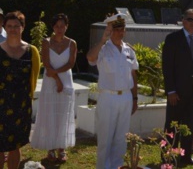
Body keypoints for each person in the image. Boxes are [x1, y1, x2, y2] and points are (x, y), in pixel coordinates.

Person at [87, 14, 138, 169]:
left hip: (126, 97)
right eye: (116, 29)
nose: (120, 33)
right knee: (105, 138)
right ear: (110, 30)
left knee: (121, 138)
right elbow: (90, 57)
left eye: (122, 29)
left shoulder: (129, 50)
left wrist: (135, 98)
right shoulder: (103, 49)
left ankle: (117, 166)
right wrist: (103, 39)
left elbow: (133, 74)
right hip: (108, 97)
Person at [162, 9, 193, 166]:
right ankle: (169, 157)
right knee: (172, 126)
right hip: (177, 93)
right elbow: (167, 67)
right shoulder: (173, 39)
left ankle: (186, 156)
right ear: (183, 20)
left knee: (189, 125)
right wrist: (171, 90)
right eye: (190, 19)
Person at [31, 14, 77, 163]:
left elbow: (70, 63)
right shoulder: (46, 42)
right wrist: (57, 80)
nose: (59, 29)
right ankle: (50, 148)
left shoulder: (72, 43)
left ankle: (61, 148)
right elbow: (47, 63)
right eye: (57, 26)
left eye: (62, 26)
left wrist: (58, 75)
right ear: (53, 27)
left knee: (63, 113)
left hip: (66, 80)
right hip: (50, 81)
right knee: (50, 112)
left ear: (67, 26)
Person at [0, 11, 40, 169]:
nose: (12, 29)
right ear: (4, 27)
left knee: (15, 146)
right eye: (9, 26)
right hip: (0, 105)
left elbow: (34, 78)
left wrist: (28, 99)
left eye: (16, 26)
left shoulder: (32, 51)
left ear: (23, 27)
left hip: (21, 105)